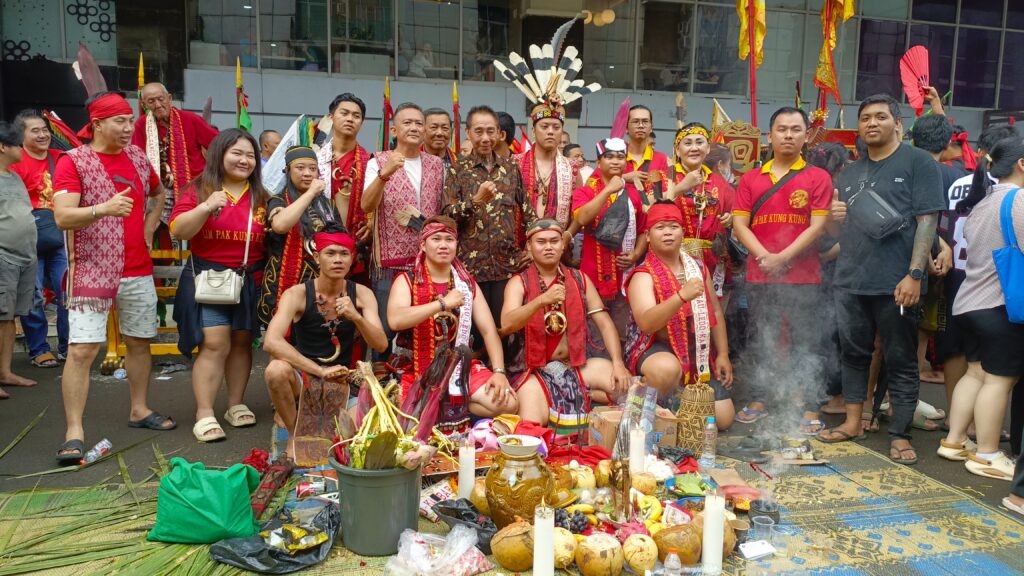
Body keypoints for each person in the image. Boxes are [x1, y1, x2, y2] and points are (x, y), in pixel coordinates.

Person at [824, 94, 945, 466]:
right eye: (865, 118)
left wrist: (915, 274)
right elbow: (839, 234)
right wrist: (831, 218)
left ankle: (900, 433)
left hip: (898, 281)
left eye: (880, 116)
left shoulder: (918, 162)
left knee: (900, 357)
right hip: (851, 280)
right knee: (853, 354)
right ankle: (853, 421)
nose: (871, 123)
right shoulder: (849, 173)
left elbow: (928, 220)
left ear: (898, 124)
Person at [53, 92, 173, 463]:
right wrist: (103, 209)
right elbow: (62, 216)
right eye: (120, 121)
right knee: (82, 350)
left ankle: (139, 409)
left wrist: (149, 227)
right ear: (97, 124)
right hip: (91, 267)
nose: (128, 127)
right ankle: (74, 431)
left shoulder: (137, 156)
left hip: (136, 268)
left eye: (129, 120)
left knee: (139, 342)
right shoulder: (73, 161)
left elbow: (158, 193)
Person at [731, 107, 832, 434]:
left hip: (804, 276)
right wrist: (766, 256)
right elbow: (740, 225)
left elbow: (818, 226)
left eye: (795, 129)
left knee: (807, 341)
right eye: (782, 129)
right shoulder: (751, 178)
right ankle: (761, 397)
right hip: (760, 273)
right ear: (770, 135)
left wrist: (783, 257)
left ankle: (809, 403)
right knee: (763, 337)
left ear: (806, 135)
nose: (788, 135)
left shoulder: (818, 177)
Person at [169, 129, 268, 442]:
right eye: (236, 153)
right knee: (214, 344)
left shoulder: (262, 197)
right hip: (208, 278)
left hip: (249, 279)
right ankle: (204, 413)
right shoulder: (199, 189)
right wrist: (206, 206)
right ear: (219, 154)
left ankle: (235, 405)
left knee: (242, 341)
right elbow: (179, 231)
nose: (244, 160)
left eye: (250, 155)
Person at [937, 137, 1024, 480]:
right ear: (1021, 164)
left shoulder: (983, 202)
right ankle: (987, 454)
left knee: (975, 373)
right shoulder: (1019, 200)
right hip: (1000, 305)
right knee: (999, 380)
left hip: (969, 302)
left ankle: (955, 440)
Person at [263, 231, 387, 457]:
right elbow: (271, 341)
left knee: (355, 437)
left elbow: (380, 345)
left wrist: (356, 317)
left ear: (352, 259)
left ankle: (326, 417)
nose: (338, 260)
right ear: (317, 258)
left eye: (344, 254)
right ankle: (293, 434)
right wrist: (319, 371)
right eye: (330, 253)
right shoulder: (297, 294)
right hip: (304, 378)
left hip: (343, 381)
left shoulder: (362, 294)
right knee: (275, 370)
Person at [387, 217, 518, 430]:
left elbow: (488, 331)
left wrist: (499, 372)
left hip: (458, 367)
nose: (443, 245)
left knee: (508, 402)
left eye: (449, 240)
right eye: (436, 239)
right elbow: (395, 320)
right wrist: (442, 304)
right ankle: (441, 404)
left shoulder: (466, 284)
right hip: (416, 367)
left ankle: (449, 403)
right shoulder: (407, 280)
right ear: (423, 245)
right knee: (409, 425)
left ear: (456, 245)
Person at [501, 219, 632, 428]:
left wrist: (617, 362)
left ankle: (591, 394)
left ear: (563, 245)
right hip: (532, 370)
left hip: (575, 365)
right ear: (529, 247)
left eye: (554, 241)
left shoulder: (580, 279)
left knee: (629, 389)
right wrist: (541, 301)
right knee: (531, 423)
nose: (548, 247)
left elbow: (605, 324)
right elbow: (507, 324)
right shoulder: (519, 282)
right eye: (541, 242)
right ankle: (587, 396)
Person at [624, 201, 735, 428]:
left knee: (723, 419)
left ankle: (677, 402)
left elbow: (715, 310)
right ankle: (640, 396)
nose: (668, 232)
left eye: (673, 227)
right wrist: (680, 297)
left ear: (683, 232)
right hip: (655, 350)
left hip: (696, 354)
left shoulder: (697, 268)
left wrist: (723, 354)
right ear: (648, 236)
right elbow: (646, 323)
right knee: (667, 369)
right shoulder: (643, 275)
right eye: (660, 227)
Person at [443, 105, 535, 337]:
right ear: (468, 132)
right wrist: (475, 201)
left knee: (506, 330)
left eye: (490, 131)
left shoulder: (511, 168)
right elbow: (447, 217)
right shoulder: (457, 170)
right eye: (479, 131)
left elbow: (528, 213)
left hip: (507, 266)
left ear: (499, 134)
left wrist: (532, 246)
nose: (485, 138)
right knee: (473, 334)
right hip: (470, 268)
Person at [362, 103, 446, 357]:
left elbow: (443, 209)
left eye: (419, 123)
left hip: (427, 263)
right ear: (394, 130)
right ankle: (381, 380)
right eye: (407, 123)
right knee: (385, 332)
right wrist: (384, 175)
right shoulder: (378, 161)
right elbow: (366, 205)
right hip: (390, 265)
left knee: (426, 329)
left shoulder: (437, 165)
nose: (414, 127)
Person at [258, 146, 341, 325]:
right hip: (284, 278)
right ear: (288, 171)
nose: (307, 173)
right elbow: (280, 225)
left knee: (318, 332)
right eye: (300, 168)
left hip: (321, 280)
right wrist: (310, 193)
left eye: (313, 169)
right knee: (282, 333)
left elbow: (340, 239)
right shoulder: (278, 200)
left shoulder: (328, 205)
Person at [573, 137, 647, 339]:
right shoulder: (585, 191)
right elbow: (582, 218)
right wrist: (607, 190)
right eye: (609, 157)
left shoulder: (636, 194)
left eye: (620, 157)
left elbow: (644, 230)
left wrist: (636, 254)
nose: (615, 161)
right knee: (593, 334)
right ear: (598, 161)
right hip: (593, 275)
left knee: (623, 333)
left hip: (625, 276)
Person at [11, 109, 68, 368]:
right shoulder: (13, 160)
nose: (43, 135)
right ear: (20, 135)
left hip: (60, 236)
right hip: (25, 238)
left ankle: (69, 346)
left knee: (67, 291)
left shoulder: (61, 158)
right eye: (35, 131)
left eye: (45, 129)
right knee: (32, 295)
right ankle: (39, 349)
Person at [132, 83, 218, 240]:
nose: (157, 105)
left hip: (193, 186)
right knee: (147, 220)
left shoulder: (189, 119)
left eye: (161, 99)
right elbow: (137, 160)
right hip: (159, 188)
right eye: (151, 101)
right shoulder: (141, 125)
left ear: (169, 98)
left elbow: (219, 146)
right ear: (144, 104)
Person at [805, 142, 851, 417]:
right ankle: (833, 393)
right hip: (830, 271)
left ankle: (827, 391)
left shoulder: (811, 186)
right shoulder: (842, 189)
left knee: (824, 332)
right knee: (832, 333)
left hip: (820, 268)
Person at [666, 122, 735, 293]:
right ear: (677, 150)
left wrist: (730, 219)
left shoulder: (719, 182)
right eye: (687, 143)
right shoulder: (665, 176)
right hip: (674, 256)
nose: (694, 148)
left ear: (708, 148)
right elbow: (650, 209)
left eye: (699, 142)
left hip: (712, 259)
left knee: (710, 306)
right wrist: (680, 187)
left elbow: (737, 214)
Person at [0, 122, 37, 399]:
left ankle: (5, 372)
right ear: (3, 147)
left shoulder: (14, 176)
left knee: (10, 317)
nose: (22, 149)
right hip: (3, 256)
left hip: (25, 256)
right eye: (17, 144)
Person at [515, 102, 582, 239]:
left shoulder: (572, 168)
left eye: (556, 127)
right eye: (544, 126)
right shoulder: (515, 163)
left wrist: (567, 237)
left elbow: (579, 211)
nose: (550, 131)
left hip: (558, 244)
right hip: (520, 244)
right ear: (533, 131)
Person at [316, 93, 371, 242]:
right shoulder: (315, 160)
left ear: (361, 123)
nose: (350, 119)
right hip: (321, 240)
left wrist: (372, 223)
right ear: (331, 117)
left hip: (358, 241)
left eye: (356, 116)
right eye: (344, 113)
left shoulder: (370, 162)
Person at [623, 105, 671, 202]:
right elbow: (596, 185)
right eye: (635, 121)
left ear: (651, 127)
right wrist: (624, 178)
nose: (641, 125)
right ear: (626, 128)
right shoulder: (614, 158)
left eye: (645, 121)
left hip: (652, 211)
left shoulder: (664, 160)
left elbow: (670, 194)